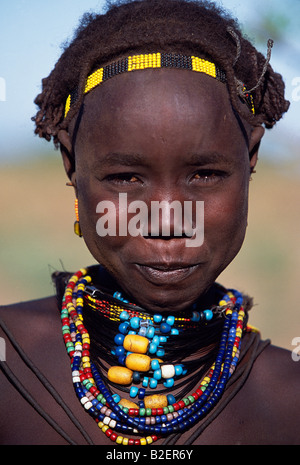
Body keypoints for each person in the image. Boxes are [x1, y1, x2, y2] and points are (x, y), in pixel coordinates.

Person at [0, 0, 299, 447]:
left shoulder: (287, 397)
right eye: (124, 179)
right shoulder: (10, 363)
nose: (166, 219)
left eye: (204, 175)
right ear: (71, 165)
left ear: (250, 159)